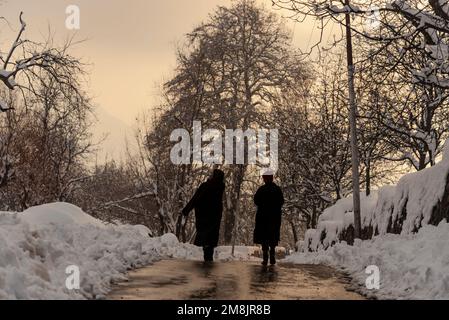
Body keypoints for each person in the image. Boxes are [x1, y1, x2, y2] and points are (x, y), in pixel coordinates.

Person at [182, 169, 225, 262]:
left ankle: (207, 259)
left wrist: (186, 210)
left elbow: (195, 199)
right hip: (215, 218)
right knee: (211, 239)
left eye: (211, 175)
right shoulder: (220, 187)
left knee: (205, 237)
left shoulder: (206, 186)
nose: (209, 176)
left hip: (204, 217)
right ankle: (209, 258)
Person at [253, 170, 284, 266]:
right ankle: (272, 255)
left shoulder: (261, 190)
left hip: (263, 219)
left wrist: (264, 206)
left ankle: (265, 257)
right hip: (274, 218)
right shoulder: (277, 189)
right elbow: (281, 202)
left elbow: (256, 200)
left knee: (264, 239)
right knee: (272, 237)